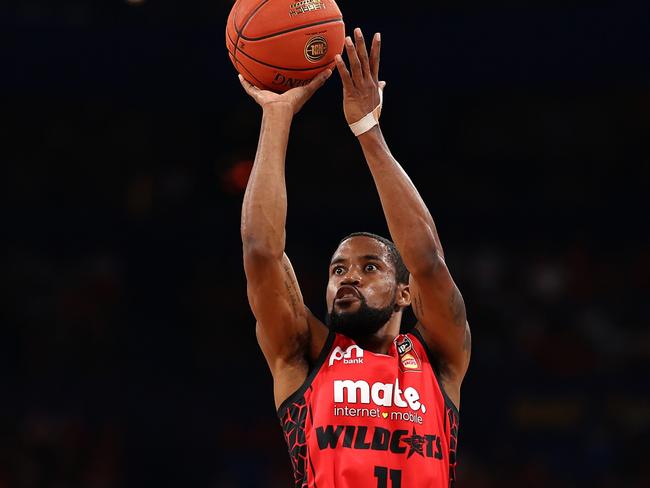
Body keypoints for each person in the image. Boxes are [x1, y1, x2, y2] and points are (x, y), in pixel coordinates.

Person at [239, 27, 471, 487]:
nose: (348, 277)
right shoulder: (304, 354)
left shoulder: (437, 359)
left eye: (370, 268)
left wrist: (368, 131)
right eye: (338, 269)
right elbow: (262, 252)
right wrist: (277, 115)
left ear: (405, 293)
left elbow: (428, 259)